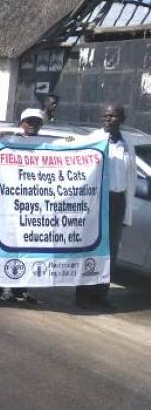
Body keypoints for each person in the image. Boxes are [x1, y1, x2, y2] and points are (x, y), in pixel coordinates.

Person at [76, 103, 136, 308]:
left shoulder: (127, 143)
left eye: (112, 116)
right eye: (105, 116)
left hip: (117, 201)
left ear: (122, 119)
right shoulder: (93, 139)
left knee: (110, 251)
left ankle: (100, 295)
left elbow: (131, 179)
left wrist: (127, 213)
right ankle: (83, 294)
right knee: (90, 248)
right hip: (96, 202)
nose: (107, 119)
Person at [0, 108, 44, 303]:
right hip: (11, 202)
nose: (32, 125)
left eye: (36, 122)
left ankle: (22, 287)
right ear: (21, 123)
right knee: (10, 245)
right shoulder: (10, 141)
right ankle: (5, 286)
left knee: (29, 246)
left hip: (34, 204)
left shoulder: (48, 145)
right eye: (28, 121)